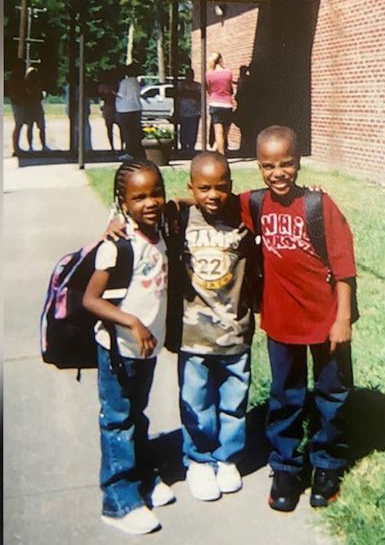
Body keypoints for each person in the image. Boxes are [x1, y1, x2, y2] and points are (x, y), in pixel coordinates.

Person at [239, 126, 357, 513]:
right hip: (281, 321)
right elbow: (210, 200)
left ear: (298, 162)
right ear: (258, 167)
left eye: (286, 164)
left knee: (332, 394)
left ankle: (327, 463)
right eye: (269, 165)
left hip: (326, 322)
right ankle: (287, 467)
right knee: (285, 396)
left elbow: (344, 269)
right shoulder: (255, 204)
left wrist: (342, 319)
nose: (278, 173)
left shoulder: (320, 206)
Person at [82, 159, 175, 535]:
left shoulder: (162, 228)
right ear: (122, 201)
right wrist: (132, 322)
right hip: (118, 350)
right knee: (118, 420)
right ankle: (118, 499)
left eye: (156, 193)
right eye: (139, 197)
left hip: (146, 349)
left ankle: (141, 476)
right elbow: (91, 300)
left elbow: (186, 200)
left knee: (137, 414)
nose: (150, 202)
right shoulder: (117, 246)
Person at [170, 152, 259, 501]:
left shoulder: (243, 216)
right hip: (193, 335)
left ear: (231, 188)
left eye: (221, 187)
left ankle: (227, 458)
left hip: (235, 331)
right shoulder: (178, 219)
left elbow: (274, 202)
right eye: (203, 188)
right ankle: (199, 459)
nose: (212, 195)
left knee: (234, 401)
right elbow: (136, 216)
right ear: (191, 187)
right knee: (197, 401)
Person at [205, 53, 234, 155]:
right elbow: (230, 88)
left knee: (218, 132)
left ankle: (220, 154)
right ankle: (219, 150)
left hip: (215, 103)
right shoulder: (228, 73)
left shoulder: (209, 74)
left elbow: (209, 90)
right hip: (227, 104)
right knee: (226, 131)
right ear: (221, 60)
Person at [115, 63, 145, 160]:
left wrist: (112, 92)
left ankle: (129, 152)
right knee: (134, 132)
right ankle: (136, 151)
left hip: (125, 109)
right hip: (136, 108)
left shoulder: (124, 82)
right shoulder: (136, 82)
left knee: (126, 132)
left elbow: (121, 95)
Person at [175, 68, 202, 153]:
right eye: (188, 74)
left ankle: (191, 147)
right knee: (183, 130)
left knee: (193, 131)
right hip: (183, 112)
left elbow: (199, 97)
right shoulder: (180, 85)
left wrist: (188, 93)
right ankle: (183, 147)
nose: (190, 77)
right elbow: (178, 95)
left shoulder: (198, 85)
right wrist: (190, 93)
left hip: (195, 112)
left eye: (191, 75)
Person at [24, 66, 49, 152]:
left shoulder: (27, 85)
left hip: (30, 107)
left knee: (31, 127)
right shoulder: (36, 85)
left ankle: (31, 146)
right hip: (36, 107)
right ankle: (43, 146)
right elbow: (40, 97)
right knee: (41, 128)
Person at [7, 60, 29, 156]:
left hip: (19, 103)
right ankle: (16, 148)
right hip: (17, 103)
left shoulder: (17, 78)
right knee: (18, 125)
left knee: (19, 125)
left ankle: (16, 147)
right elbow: (15, 91)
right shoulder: (15, 78)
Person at [98, 72, 120, 152]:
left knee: (109, 128)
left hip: (109, 108)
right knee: (117, 128)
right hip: (114, 108)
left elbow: (101, 97)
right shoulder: (116, 86)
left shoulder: (103, 87)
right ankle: (117, 147)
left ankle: (112, 147)